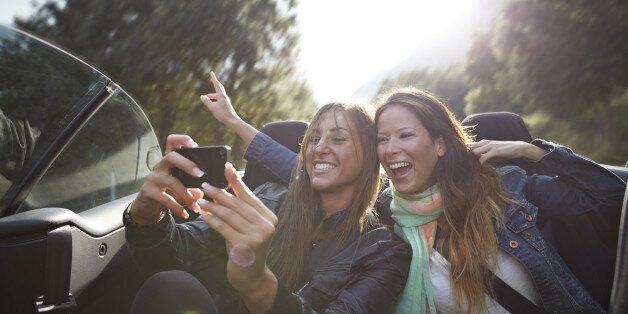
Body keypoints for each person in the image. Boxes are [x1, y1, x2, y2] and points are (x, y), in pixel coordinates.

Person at [213, 86, 625, 312]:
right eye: (382, 140)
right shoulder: (383, 220)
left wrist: (534, 152)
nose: (390, 150)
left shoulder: (507, 191)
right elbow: (310, 169)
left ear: (441, 144)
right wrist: (236, 124)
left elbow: (612, 198)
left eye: (405, 136)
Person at [124, 72, 411, 313]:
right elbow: (172, 255)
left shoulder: (385, 252)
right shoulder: (268, 197)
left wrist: (257, 282)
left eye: (338, 138)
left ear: (371, 158)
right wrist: (149, 217)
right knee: (170, 286)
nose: (320, 147)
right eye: (313, 138)